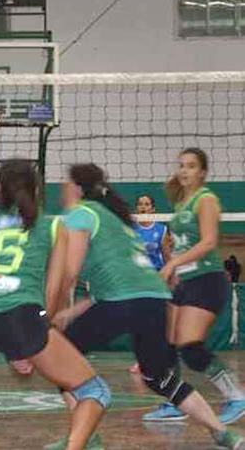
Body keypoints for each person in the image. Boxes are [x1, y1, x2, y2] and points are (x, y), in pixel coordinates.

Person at [46, 163, 243, 450]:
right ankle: (222, 432)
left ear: (76, 187)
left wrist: (48, 314)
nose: (63, 188)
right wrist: (72, 312)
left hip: (123, 301)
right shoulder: (116, 218)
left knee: (61, 359)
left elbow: (69, 274)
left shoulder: (80, 214)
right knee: (157, 376)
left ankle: (85, 436)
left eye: (66, 182)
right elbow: (117, 282)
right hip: (152, 298)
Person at [0, 159, 110, 450]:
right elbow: (55, 287)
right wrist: (34, 337)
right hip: (22, 314)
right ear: (37, 189)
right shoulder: (54, 225)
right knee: (96, 391)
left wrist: (16, 346)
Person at [143, 147, 245, 424]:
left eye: (190, 166)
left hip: (208, 280)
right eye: (181, 165)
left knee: (190, 348)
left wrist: (171, 264)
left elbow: (209, 242)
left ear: (202, 172)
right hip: (185, 281)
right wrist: (174, 264)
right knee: (167, 345)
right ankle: (176, 402)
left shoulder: (206, 199)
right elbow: (183, 243)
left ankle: (237, 395)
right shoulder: (181, 202)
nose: (184, 170)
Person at [130, 194, 171, 374]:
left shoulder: (161, 229)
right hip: (137, 280)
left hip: (157, 280)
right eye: (140, 204)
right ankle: (141, 361)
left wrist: (171, 280)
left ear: (153, 209)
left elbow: (168, 258)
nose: (143, 207)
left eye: (147, 204)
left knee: (157, 323)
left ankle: (160, 360)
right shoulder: (131, 228)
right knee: (139, 323)